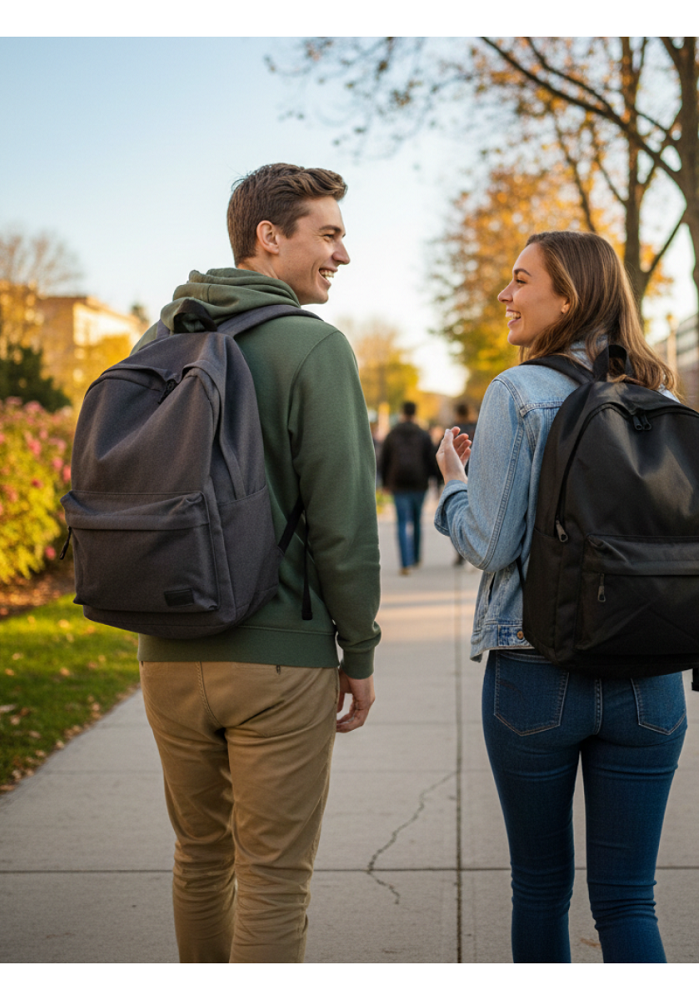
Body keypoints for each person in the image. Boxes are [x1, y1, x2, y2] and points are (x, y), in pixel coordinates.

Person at [128, 163, 380, 963]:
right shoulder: (314, 346)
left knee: (200, 859)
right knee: (272, 876)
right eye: (329, 234)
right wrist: (359, 651)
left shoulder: (159, 341)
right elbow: (344, 525)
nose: (343, 253)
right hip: (279, 654)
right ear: (269, 237)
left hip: (167, 651)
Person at [434, 230, 686, 963]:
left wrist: (454, 484)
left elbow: (489, 544)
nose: (504, 295)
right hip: (650, 676)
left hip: (535, 669)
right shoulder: (662, 397)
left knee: (541, 889)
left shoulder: (518, 392)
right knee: (629, 900)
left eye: (520, 280)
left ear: (568, 298)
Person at [379, 400, 439, 575]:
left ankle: (405, 563)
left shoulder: (392, 434)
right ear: (415, 413)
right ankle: (416, 557)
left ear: (402, 413)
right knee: (417, 521)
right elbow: (431, 460)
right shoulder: (423, 434)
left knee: (401, 522)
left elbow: (384, 460)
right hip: (419, 483)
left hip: (398, 484)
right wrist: (435, 481)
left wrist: (385, 483)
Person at [450, 402, 477, 566]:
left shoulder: (454, 430)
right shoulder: (478, 427)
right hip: (478, 476)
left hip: (458, 476)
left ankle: (460, 551)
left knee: (456, 513)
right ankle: (475, 549)